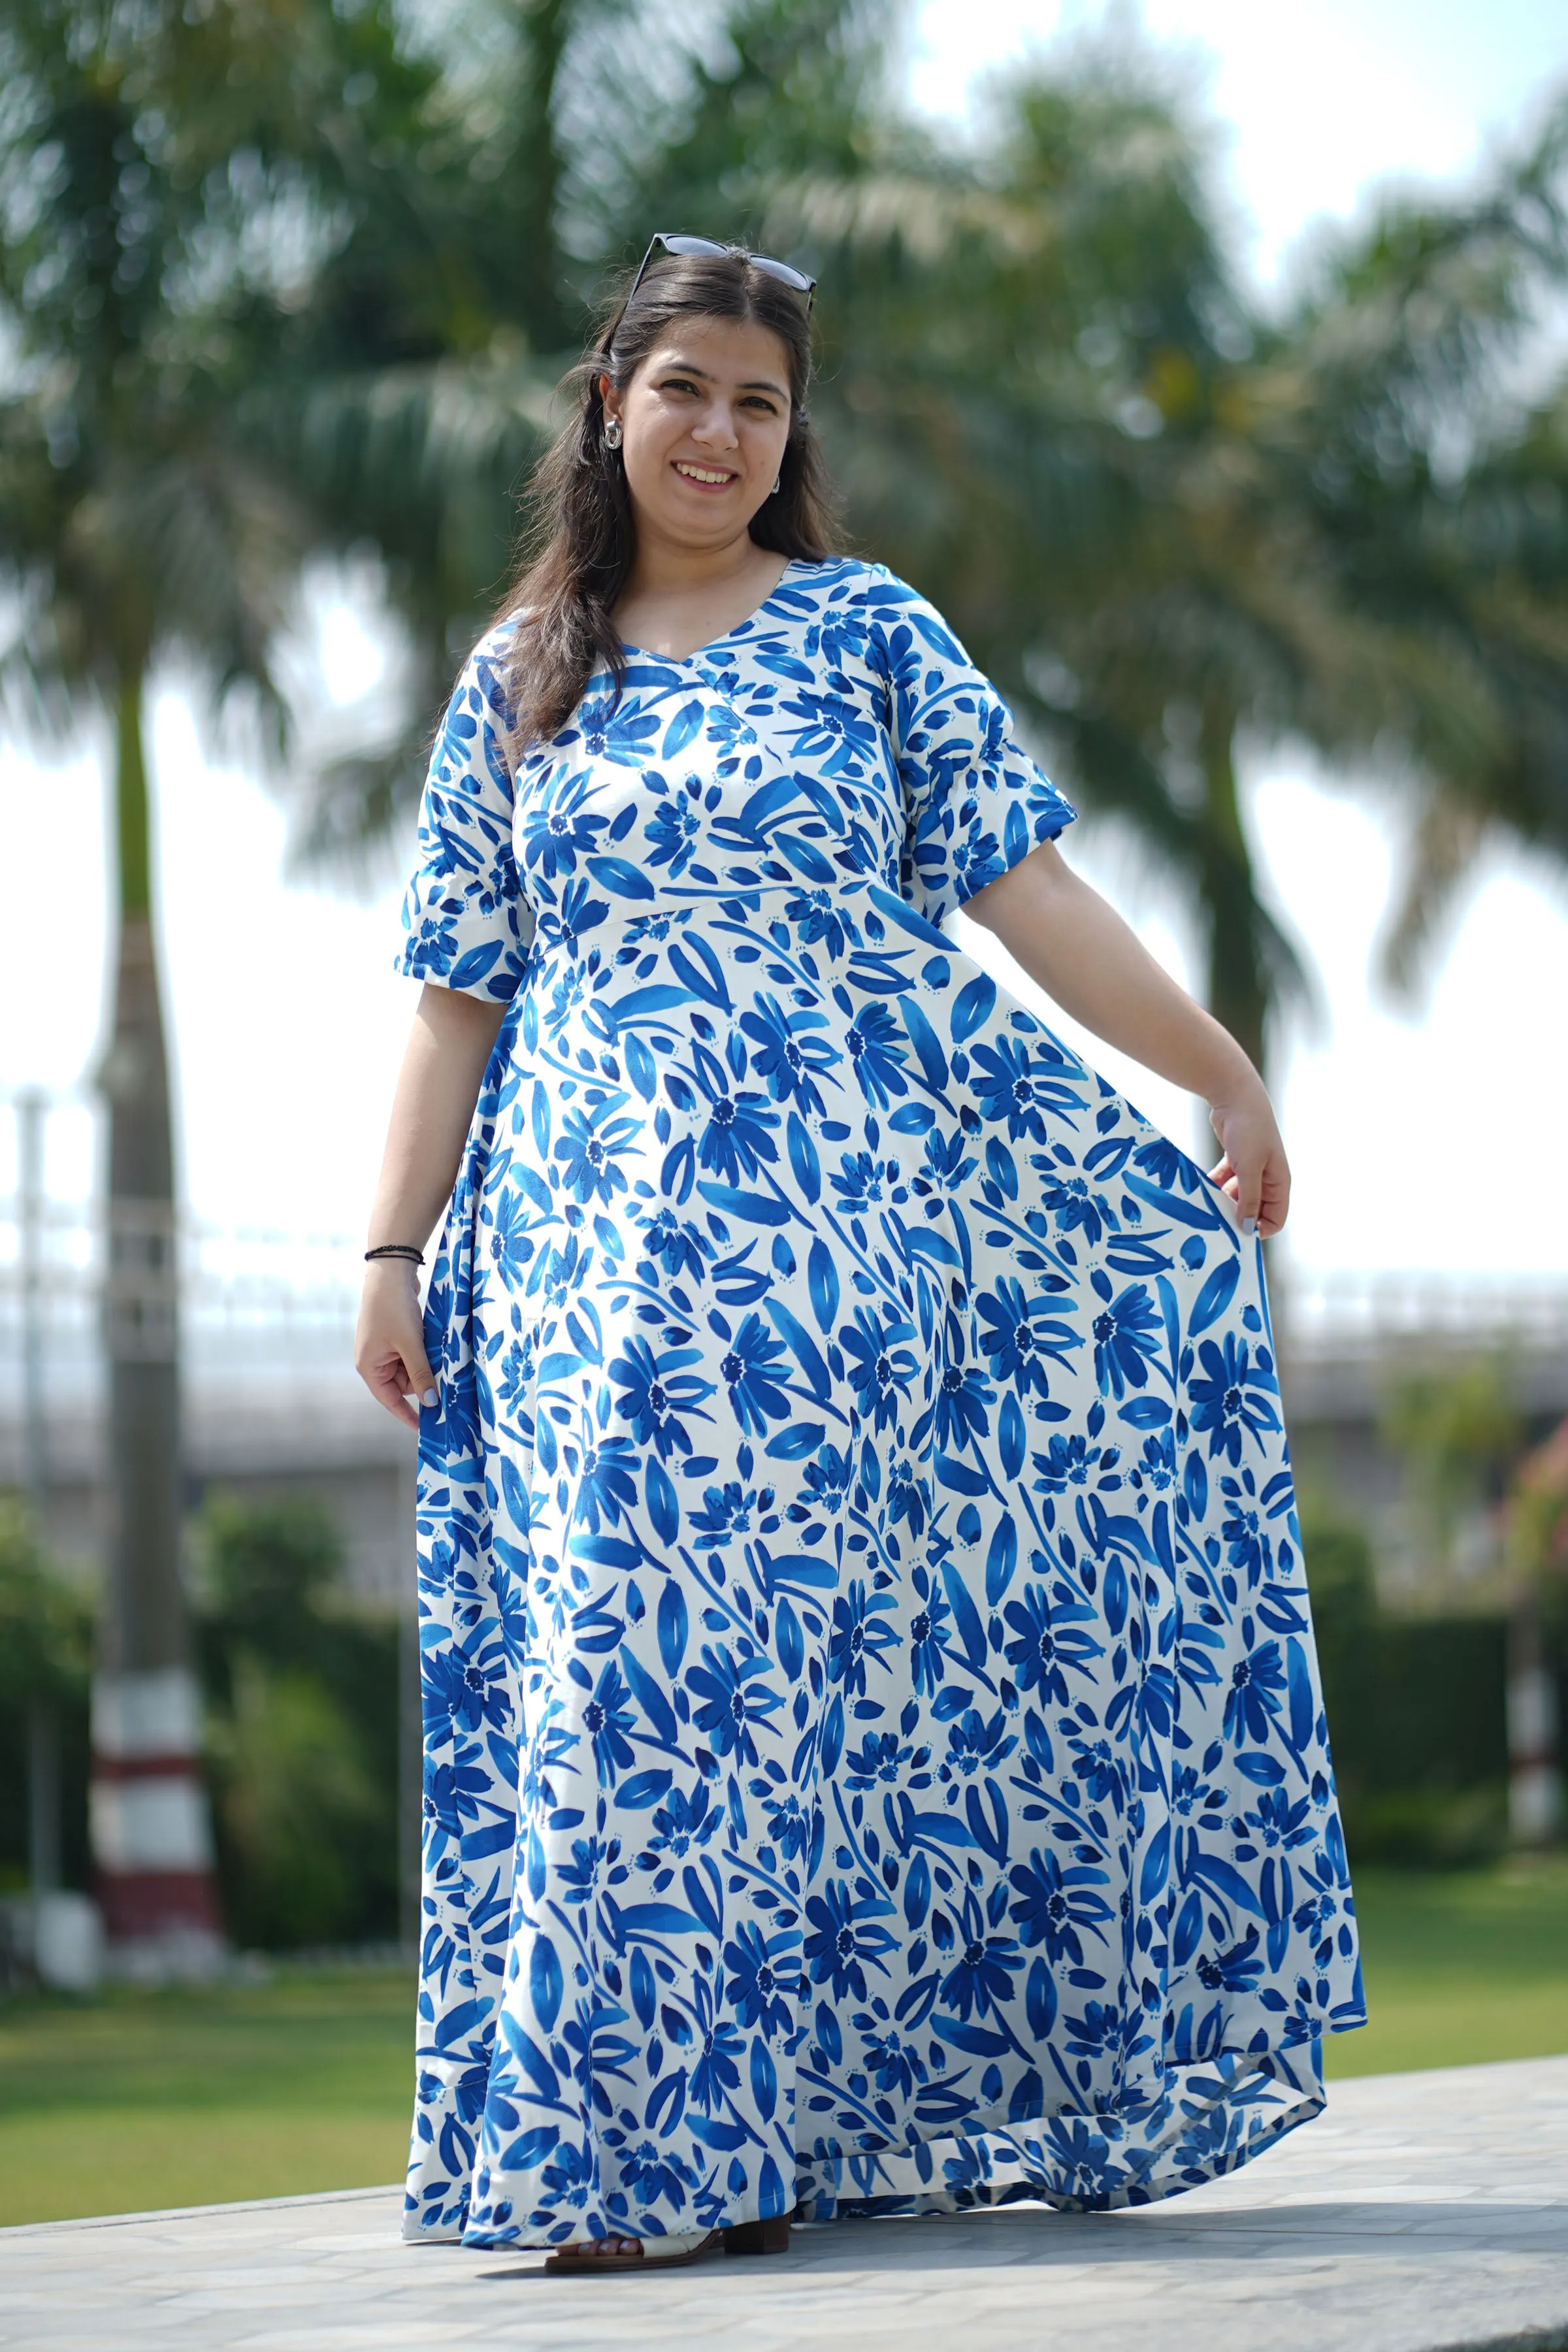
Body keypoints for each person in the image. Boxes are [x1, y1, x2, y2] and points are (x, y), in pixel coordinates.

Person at [355, 235, 1364, 2274]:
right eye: (686, 390)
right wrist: (393, 1246)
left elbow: (1025, 887)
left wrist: (1219, 1066)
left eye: (762, 400)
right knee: (623, 1666)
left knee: (780, 1679)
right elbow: (458, 991)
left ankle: (701, 2151)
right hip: (573, 1241)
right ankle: (654, 2153)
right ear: (608, 405)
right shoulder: (521, 676)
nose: (721, 431)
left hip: (833, 1247)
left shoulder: (867, 634)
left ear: (790, 433)